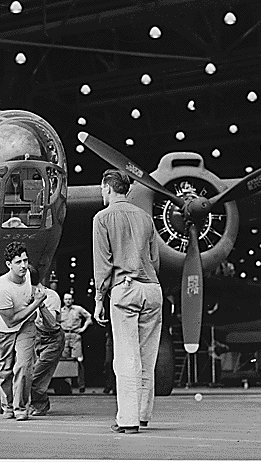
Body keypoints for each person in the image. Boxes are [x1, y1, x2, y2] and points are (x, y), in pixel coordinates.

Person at [92, 168, 162, 435]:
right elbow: (155, 259)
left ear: (107, 188)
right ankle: (143, 415)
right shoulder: (145, 217)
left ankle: (128, 420)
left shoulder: (102, 218)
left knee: (126, 358)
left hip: (125, 289)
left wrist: (99, 299)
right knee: (147, 356)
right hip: (152, 289)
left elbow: (103, 265)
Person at [0, 241, 47, 421]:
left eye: (25, 260)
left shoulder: (28, 274)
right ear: (8, 265)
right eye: (18, 262)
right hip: (4, 329)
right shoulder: (1, 288)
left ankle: (20, 407)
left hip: (26, 325)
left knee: (23, 365)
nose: (23, 265)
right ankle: (7, 405)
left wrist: (33, 298)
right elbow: (11, 320)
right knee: (6, 369)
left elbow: (30, 292)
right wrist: (37, 303)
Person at [28, 265, 65, 416]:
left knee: (36, 376)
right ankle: (36, 403)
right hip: (36, 337)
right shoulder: (25, 295)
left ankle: (41, 405)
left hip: (52, 339)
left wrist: (40, 303)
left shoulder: (51, 296)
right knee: (28, 373)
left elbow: (52, 324)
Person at [59, 292, 92, 393]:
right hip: (64, 336)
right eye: (66, 299)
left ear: (72, 300)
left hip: (75, 336)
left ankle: (81, 385)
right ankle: (67, 386)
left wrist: (83, 329)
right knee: (65, 360)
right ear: (63, 300)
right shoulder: (60, 311)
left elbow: (89, 317)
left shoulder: (78, 309)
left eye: (70, 299)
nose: (68, 301)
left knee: (78, 360)